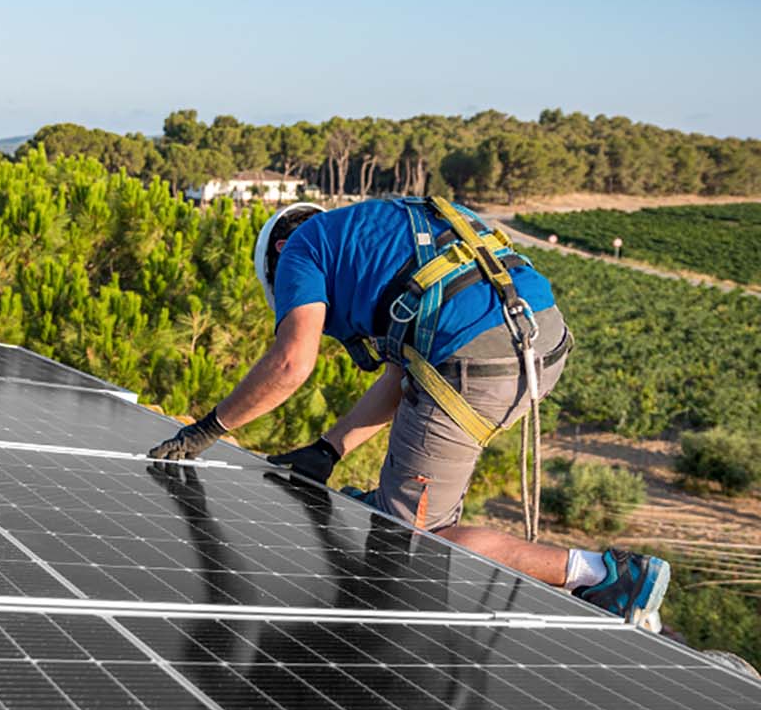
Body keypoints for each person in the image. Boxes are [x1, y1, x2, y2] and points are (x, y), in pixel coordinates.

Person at [148, 196, 670, 626]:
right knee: (396, 501)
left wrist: (206, 429)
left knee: (413, 537)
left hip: (477, 362)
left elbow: (290, 362)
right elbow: (405, 374)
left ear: (279, 250)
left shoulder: (301, 249)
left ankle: (603, 574)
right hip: (540, 342)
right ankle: (401, 502)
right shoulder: (386, 230)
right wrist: (328, 450)